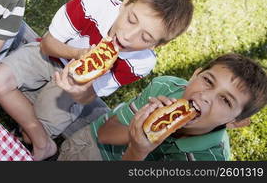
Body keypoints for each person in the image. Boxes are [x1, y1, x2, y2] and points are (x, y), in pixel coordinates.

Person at [0, 0, 194, 160]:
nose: (129, 36)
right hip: (51, 54)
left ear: (157, 45)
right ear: (126, 1)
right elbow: (47, 44)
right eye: (131, 20)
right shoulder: (92, 5)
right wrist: (79, 55)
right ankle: (43, 140)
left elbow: (88, 97)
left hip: (79, 85)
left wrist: (79, 88)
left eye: (146, 37)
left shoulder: (140, 62)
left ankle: (34, 133)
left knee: (26, 134)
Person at [57, 53, 267, 161]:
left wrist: (138, 152)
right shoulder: (165, 87)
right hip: (93, 149)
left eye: (226, 100)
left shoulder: (207, 159)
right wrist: (143, 128)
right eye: (208, 81)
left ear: (236, 122)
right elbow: (103, 135)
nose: (205, 96)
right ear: (195, 74)